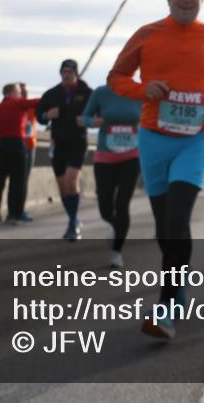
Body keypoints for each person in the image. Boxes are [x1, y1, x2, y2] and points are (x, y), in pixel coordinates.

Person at [108, 0, 204, 341]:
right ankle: (178, 287)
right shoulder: (147, 34)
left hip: (196, 139)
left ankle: (165, 309)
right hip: (154, 137)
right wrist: (143, 89)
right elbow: (116, 78)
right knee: (163, 227)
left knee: (178, 219)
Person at [80, 84, 142, 269]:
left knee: (122, 204)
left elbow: (151, 118)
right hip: (105, 158)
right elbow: (85, 117)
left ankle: (116, 252)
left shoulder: (139, 92)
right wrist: (93, 122)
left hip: (132, 157)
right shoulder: (101, 93)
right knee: (105, 208)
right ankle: (115, 226)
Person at [36, 59, 94, 241]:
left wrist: (87, 121)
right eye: (64, 72)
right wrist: (47, 115)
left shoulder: (87, 93)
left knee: (71, 180)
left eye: (70, 72)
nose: (66, 75)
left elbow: (98, 113)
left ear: (76, 73)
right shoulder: (52, 94)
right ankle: (73, 219)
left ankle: (72, 224)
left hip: (78, 142)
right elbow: (39, 115)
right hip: (58, 143)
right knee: (62, 185)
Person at [0, 83, 41, 224]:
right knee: (18, 180)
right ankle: (14, 214)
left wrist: (0, 138)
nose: (20, 95)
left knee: (0, 179)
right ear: (12, 92)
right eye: (18, 92)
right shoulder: (19, 104)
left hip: (3, 144)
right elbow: (38, 102)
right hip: (18, 143)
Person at [19, 82, 38, 223]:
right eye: (22, 92)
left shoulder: (32, 106)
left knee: (24, 180)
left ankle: (20, 209)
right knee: (4, 178)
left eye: (26, 91)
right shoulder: (14, 107)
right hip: (16, 147)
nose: (25, 94)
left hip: (30, 147)